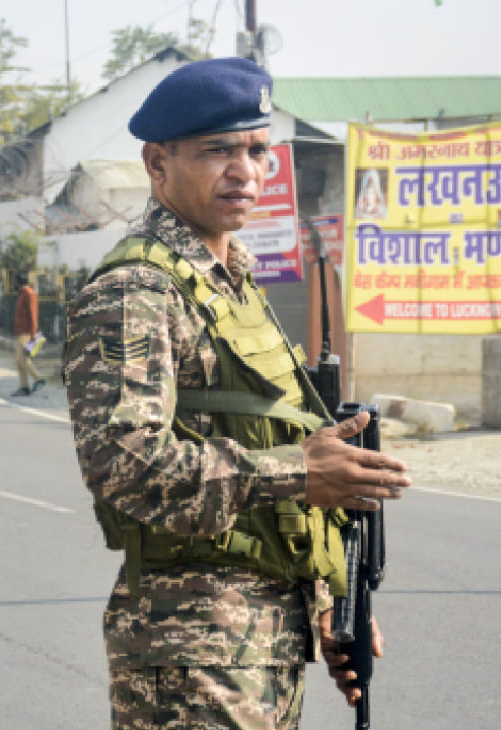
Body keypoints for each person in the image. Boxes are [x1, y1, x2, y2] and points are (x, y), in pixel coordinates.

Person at [61, 58, 412, 730]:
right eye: (218, 151)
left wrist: (329, 604)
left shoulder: (234, 283)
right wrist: (300, 471)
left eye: (257, 150)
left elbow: (266, 449)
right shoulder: (135, 292)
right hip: (190, 645)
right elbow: (124, 469)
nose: (246, 171)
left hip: (263, 635)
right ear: (156, 164)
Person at [11, 272, 45, 397]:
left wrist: (33, 333)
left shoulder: (29, 294)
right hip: (20, 331)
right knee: (19, 361)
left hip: (26, 332)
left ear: (18, 282)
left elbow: (33, 314)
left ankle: (39, 379)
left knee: (21, 359)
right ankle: (24, 386)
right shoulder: (21, 294)